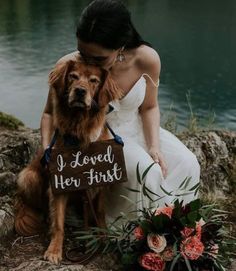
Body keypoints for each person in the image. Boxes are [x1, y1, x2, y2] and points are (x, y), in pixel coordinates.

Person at [42, 0, 200, 223]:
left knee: (188, 161)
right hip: (99, 137)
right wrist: (47, 150)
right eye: (82, 52)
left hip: (135, 126)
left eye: (99, 58)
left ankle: (181, 230)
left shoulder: (147, 59)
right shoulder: (68, 65)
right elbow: (49, 113)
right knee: (148, 171)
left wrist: (154, 146)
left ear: (121, 46)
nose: (88, 62)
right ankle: (137, 234)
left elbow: (149, 107)